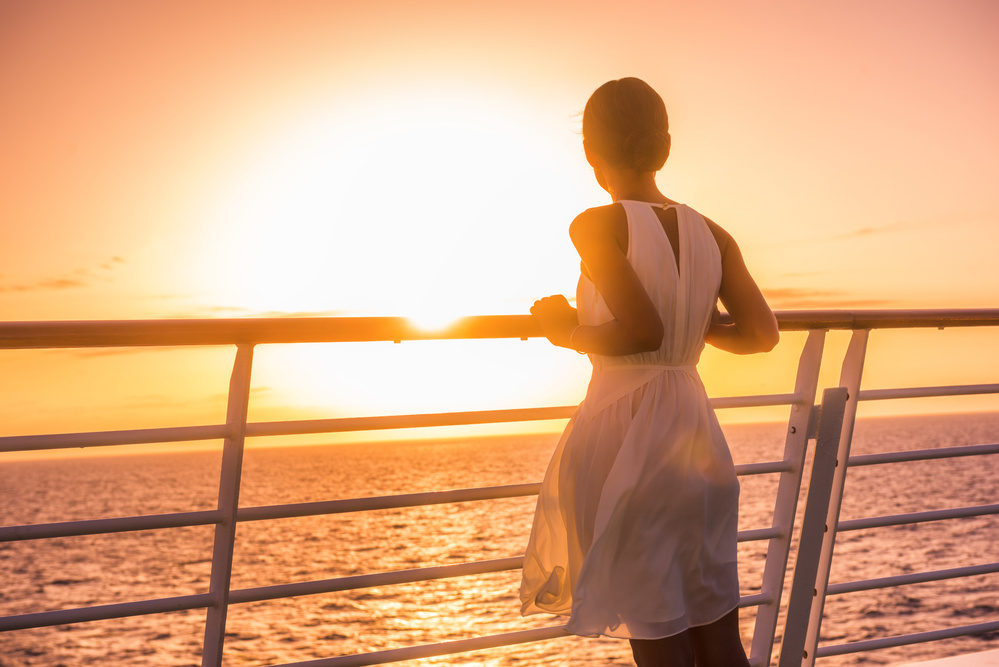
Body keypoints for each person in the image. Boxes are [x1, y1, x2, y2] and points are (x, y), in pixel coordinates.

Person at [520, 77, 779, 667]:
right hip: (695, 432)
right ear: (663, 145)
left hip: (630, 433)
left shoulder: (595, 225)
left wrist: (566, 330)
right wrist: (695, 320)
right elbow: (762, 335)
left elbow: (641, 331)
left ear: (591, 151)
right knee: (715, 630)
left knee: (657, 633)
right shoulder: (712, 233)